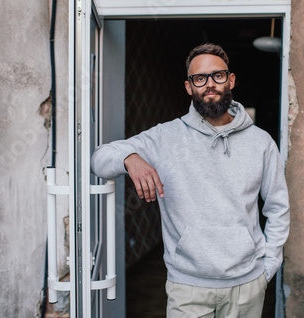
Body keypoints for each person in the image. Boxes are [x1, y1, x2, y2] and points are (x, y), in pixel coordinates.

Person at [91, 43, 290, 318]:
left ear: (230, 80)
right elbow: (99, 159)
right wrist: (131, 158)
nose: (210, 84)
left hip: (247, 285)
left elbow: (278, 208)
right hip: (188, 288)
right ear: (189, 87)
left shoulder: (261, 143)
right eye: (200, 78)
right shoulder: (165, 137)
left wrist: (269, 266)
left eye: (217, 75)